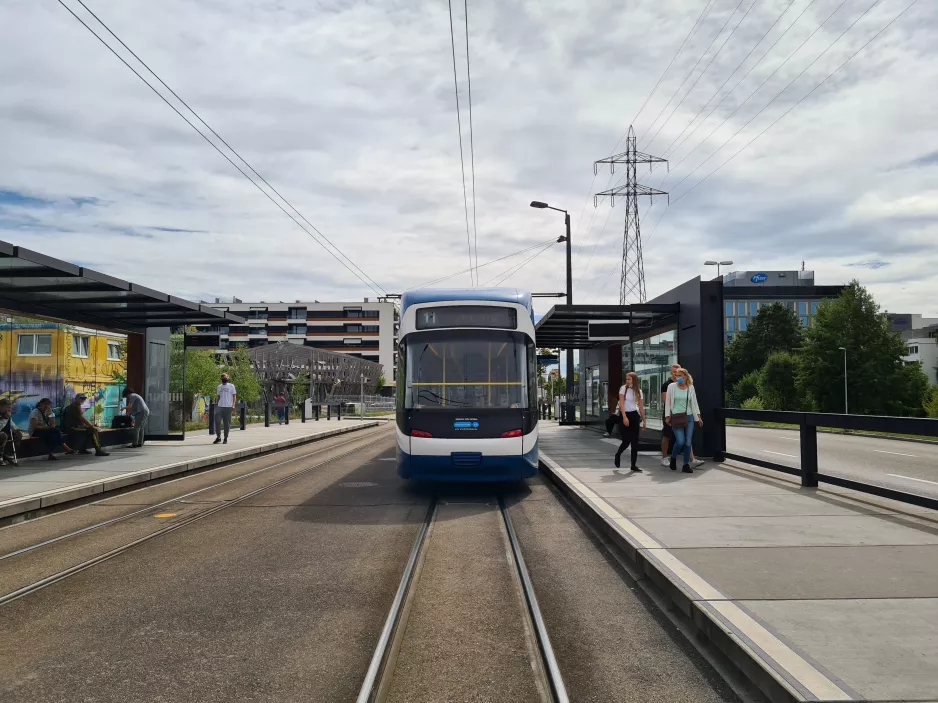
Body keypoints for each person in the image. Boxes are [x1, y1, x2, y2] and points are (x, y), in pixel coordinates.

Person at [660, 363, 704, 469]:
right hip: (676, 416)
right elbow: (668, 402)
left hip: (689, 417)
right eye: (676, 375)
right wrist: (667, 416)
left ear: (685, 376)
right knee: (680, 441)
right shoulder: (671, 386)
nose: (678, 377)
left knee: (688, 441)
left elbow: (694, 402)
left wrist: (698, 416)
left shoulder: (690, 387)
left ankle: (686, 465)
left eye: (680, 375)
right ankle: (673, 458)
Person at [614, 371, 646, 472]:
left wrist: (644, 420)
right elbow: (621, 403)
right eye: (626, 379)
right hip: (625, 414)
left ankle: (633, 465)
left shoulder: (639, 391)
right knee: (626, 440)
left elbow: (641, 406)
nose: (627, 381)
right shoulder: (623, 389)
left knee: (635, 442)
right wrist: (624, 417)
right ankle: (618, 454)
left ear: (634, 380)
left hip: (634, 415)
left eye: (629, 379)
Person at [214, 373, 237, 444]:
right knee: (217, 422)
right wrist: (216, 404)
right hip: (220, 406)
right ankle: (218, 437)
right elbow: (218, 396)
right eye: (223, 377)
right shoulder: (219, 387)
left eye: (225, 377)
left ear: (228, 378)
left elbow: (234, 396)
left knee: (226, 424)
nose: (224, 378)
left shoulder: (231, 386)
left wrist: (233, 405)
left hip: (228, 407)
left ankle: (225, 438)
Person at [0, 399, 23, 465]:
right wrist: (5, 418)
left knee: (18, 435)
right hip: (1, 433)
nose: (9, 409)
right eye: (8, 407)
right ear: (1, 406)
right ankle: (0, 457)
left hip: (5, 433)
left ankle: (8, 454)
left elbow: (11, 424)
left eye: (10, 407)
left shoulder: (6, 414)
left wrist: (17, 430)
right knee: (3, 435)